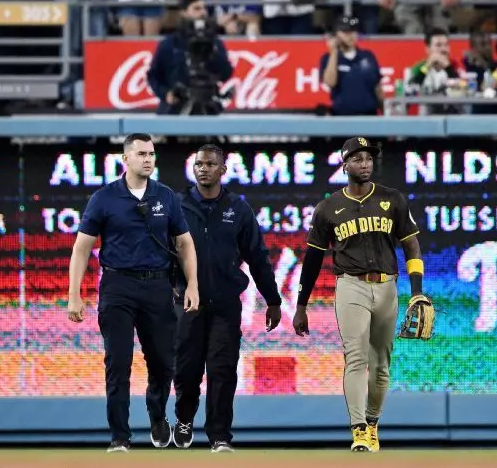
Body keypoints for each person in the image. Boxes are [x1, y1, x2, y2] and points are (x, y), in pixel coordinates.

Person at [67, 134, 200, 453]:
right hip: (117, 287)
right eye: (141, 154)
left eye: (152, 154)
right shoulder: (104, 198)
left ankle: (157, 414)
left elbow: (185, 244)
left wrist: (192, 284)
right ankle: (119, 437)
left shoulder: (166, 196)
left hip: (157, 286)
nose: (148, 159)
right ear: (125, 159)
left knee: (163, 363)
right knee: (118, 362)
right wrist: (74, 294)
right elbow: (82, 247)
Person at [292, 136, 425, 453]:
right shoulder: (328, 208)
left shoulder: (393, 199)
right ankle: (359, 430)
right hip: (350, 285)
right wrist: (301, 305)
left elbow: (411, 245)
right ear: (344, 164)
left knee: (380, 365)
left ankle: (373, 422)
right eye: (358, 159)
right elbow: (312, 260)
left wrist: (417, 292)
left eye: (368, 158)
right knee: (356, 358)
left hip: (387, 286)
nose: (365, 164)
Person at [172, 143, 282, 453]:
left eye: (210, 164)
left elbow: (258, 257)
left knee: (222, 370)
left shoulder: (239, 209)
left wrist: (272, 300)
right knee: (187, 371)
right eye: (199, 164)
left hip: (225, 305)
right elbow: (162, 252)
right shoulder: (176, 206)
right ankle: (183, 419)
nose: (203, 168)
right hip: (186, 304)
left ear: (223, 169)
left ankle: (220, 436)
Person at [146, 0, 235, 115]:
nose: (203, 12)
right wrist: (166, 94)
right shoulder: (169, 43)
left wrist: (212, 52)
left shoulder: (215, 42)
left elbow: (226, 73)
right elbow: (154, 75)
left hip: (208, 105)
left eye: (204, 8)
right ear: (184, 13)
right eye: (197, 9)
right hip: (175, 108)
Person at [320, 15, 381, 116]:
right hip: (342, 117)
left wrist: (385, 113)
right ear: (336, 35)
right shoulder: (327, 58)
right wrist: (334, 52)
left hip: (369, 116)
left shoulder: (368, 56)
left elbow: (377, 87)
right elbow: (330, 82)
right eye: (345, 32)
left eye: (353, 31)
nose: (350, 36)